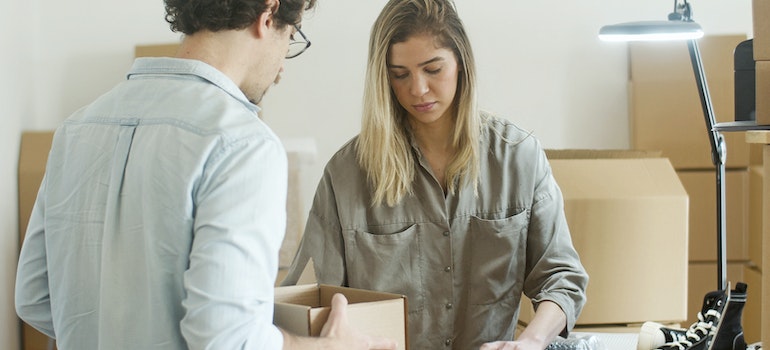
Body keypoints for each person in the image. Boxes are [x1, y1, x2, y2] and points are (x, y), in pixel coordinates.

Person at [14, 0, 396, 349]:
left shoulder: (77, 129)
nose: (282, 66)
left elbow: (33, 296)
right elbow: (227, 338)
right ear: (267, 15)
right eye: (290, 38)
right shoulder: (242, 143)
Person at [281, 0, 589, 349]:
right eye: (400, 75)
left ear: (461, 63)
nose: (418, 89)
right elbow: (307, 300)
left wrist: (531, 341)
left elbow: (561, 279)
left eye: (432, 69)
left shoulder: (519, 156)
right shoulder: (347, 174)